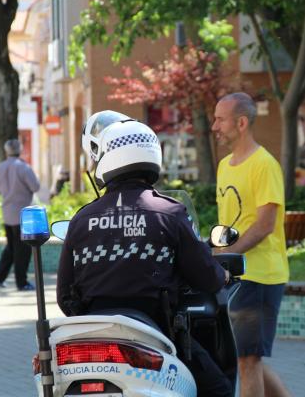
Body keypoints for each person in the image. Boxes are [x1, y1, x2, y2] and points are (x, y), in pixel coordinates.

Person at [56, 110, 232, 397]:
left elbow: (64, 295)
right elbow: (207, 278)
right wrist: (222, 275)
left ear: (106, 158)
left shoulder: (82, 219)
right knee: (219, 389)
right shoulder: (170, 213)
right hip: (157, 335)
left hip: (93, 340)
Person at [212, 93, 291, 397]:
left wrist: (228, 255)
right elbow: (230, 222)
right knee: (246, 357)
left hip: (259, 275)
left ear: (241, 123)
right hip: (234, 274)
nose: (214, 125)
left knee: (247, 358)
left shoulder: (264, 164)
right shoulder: (224, 166)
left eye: (221, 119)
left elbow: (264, 225)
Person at [0, 139, 40, 291]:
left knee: (11, 248)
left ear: (7, 151)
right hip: (23, 214)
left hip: (7, 213)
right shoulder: (23, 167)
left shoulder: (1, 167)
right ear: (20, 150)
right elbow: (35, 186)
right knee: (23, 250)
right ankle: (22, 282)